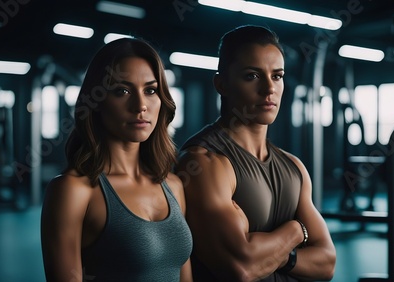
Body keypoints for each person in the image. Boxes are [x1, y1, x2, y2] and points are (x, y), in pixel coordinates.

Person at [175, 25, 336, 281]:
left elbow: (327, 263)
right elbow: (241, 267)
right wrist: (296, 231)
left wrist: (278, 254)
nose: (268, 89)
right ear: (221, 84)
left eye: (277, 76)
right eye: (252, 76)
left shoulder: (294, 167)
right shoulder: (203, 162)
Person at [40, 38, 193, 281]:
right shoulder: (73, 190)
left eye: (151, 90)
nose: (140, 105)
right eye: (122, 91)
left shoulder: (173, 185)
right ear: (97, 100)